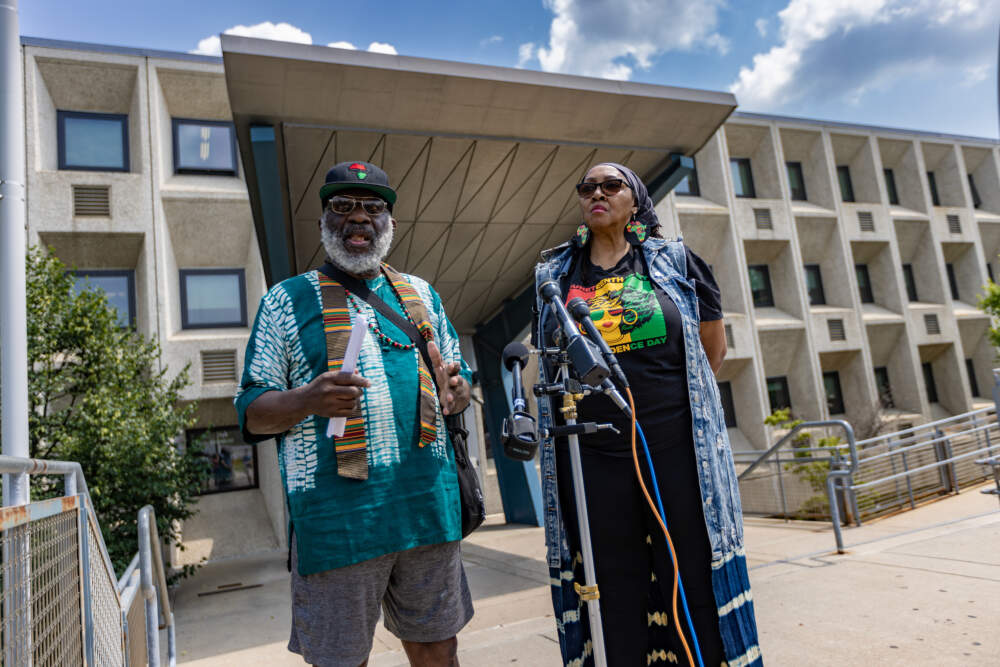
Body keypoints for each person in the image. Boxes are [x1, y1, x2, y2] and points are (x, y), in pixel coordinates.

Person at [235, 161, 474, 667]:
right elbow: (253, 412)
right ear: (323, 221)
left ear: (391, 223)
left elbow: (460, 381)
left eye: (372, 207)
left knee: (438, 648)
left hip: (428, 508)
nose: (358, 218)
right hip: (337, 522)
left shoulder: (423, 295)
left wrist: (460, 388)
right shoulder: (285, 300)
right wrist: (307, 400)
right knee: (340, 659)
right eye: (342, 207)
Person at [533, 163, 761, 666]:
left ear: (634, 200)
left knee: (690, 573)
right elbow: (548, 359)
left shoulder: (675, 261)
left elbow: (711, 352)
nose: (597, 193)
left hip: (673, 449)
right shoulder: (553, 275)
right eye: (587, 187)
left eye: (611, 185)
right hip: (592, 455)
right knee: (612, 582)